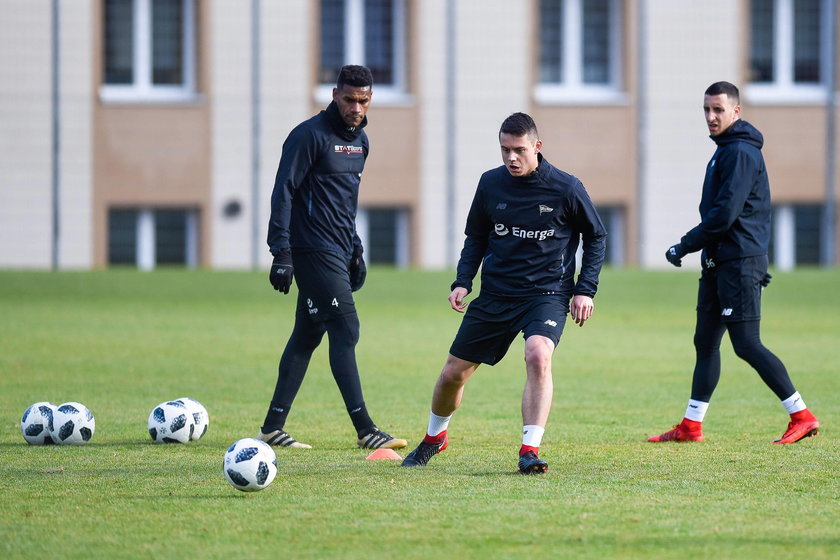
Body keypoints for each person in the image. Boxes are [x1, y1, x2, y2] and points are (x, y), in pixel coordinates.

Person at [401, 112, 607, 474]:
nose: (511, 158)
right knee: (453, 375)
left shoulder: (566, 188)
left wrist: (584, 290)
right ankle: (435, 438)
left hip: (547, 292)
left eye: (519, 150)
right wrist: (463, 280)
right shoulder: (490, 184)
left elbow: (596, 236)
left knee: (539, 354)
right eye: (505, 150)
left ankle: (529, 450)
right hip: (496, 294)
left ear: (537, 147)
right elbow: (476, 237)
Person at [649, 81, 820, 444]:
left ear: (736, 112)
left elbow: (724, 215)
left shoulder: (740, 151)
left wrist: (684, 246)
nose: (711, 117)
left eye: (718, 110)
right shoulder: (725, 150)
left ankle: (801, 414)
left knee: (746, 343)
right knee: (705, 341)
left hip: (738, 262)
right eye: (707, 110)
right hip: (720, 262)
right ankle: (691, 426)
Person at [259, 65, 406, 451]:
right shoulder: (308, 136)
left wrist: (355, 249)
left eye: (364, 100)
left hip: (338, 250)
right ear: (334, 95)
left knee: (307, 335)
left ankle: (272, 427)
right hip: (310, 250)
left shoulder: (361, 143)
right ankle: (365, 429)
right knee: (347, 328)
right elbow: (283, 192)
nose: (357, 107)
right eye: (350, 99)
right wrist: (281, 252)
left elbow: (344, 203)